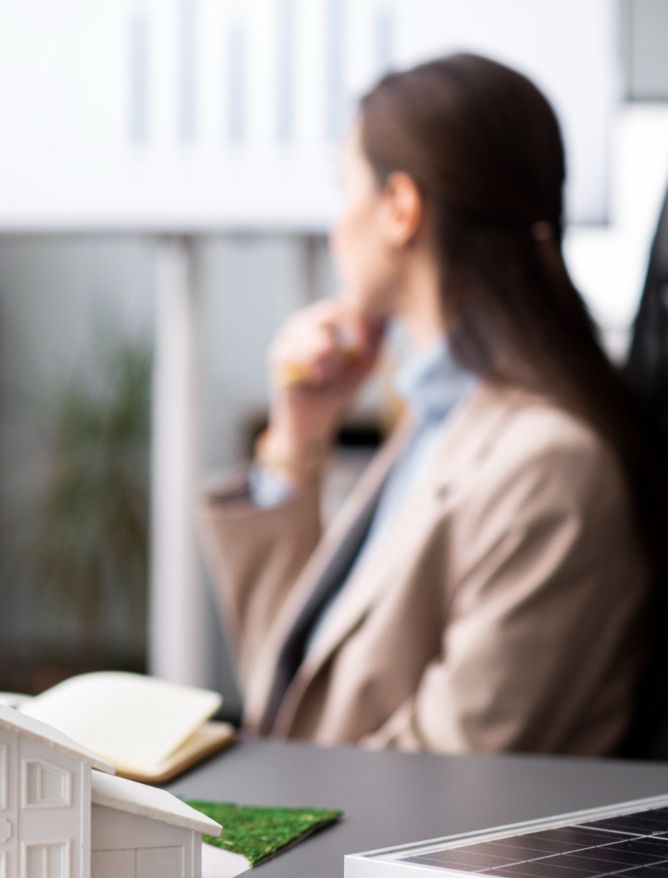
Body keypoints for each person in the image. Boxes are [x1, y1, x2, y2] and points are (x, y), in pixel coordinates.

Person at [200, 53, 663, 754]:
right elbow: (298, 691)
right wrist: (298, 440)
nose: (335, 226)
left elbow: (448, 774)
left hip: (389, 856)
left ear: (400, 208)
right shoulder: (444, 418)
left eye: (344, 187)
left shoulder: (548, 463)